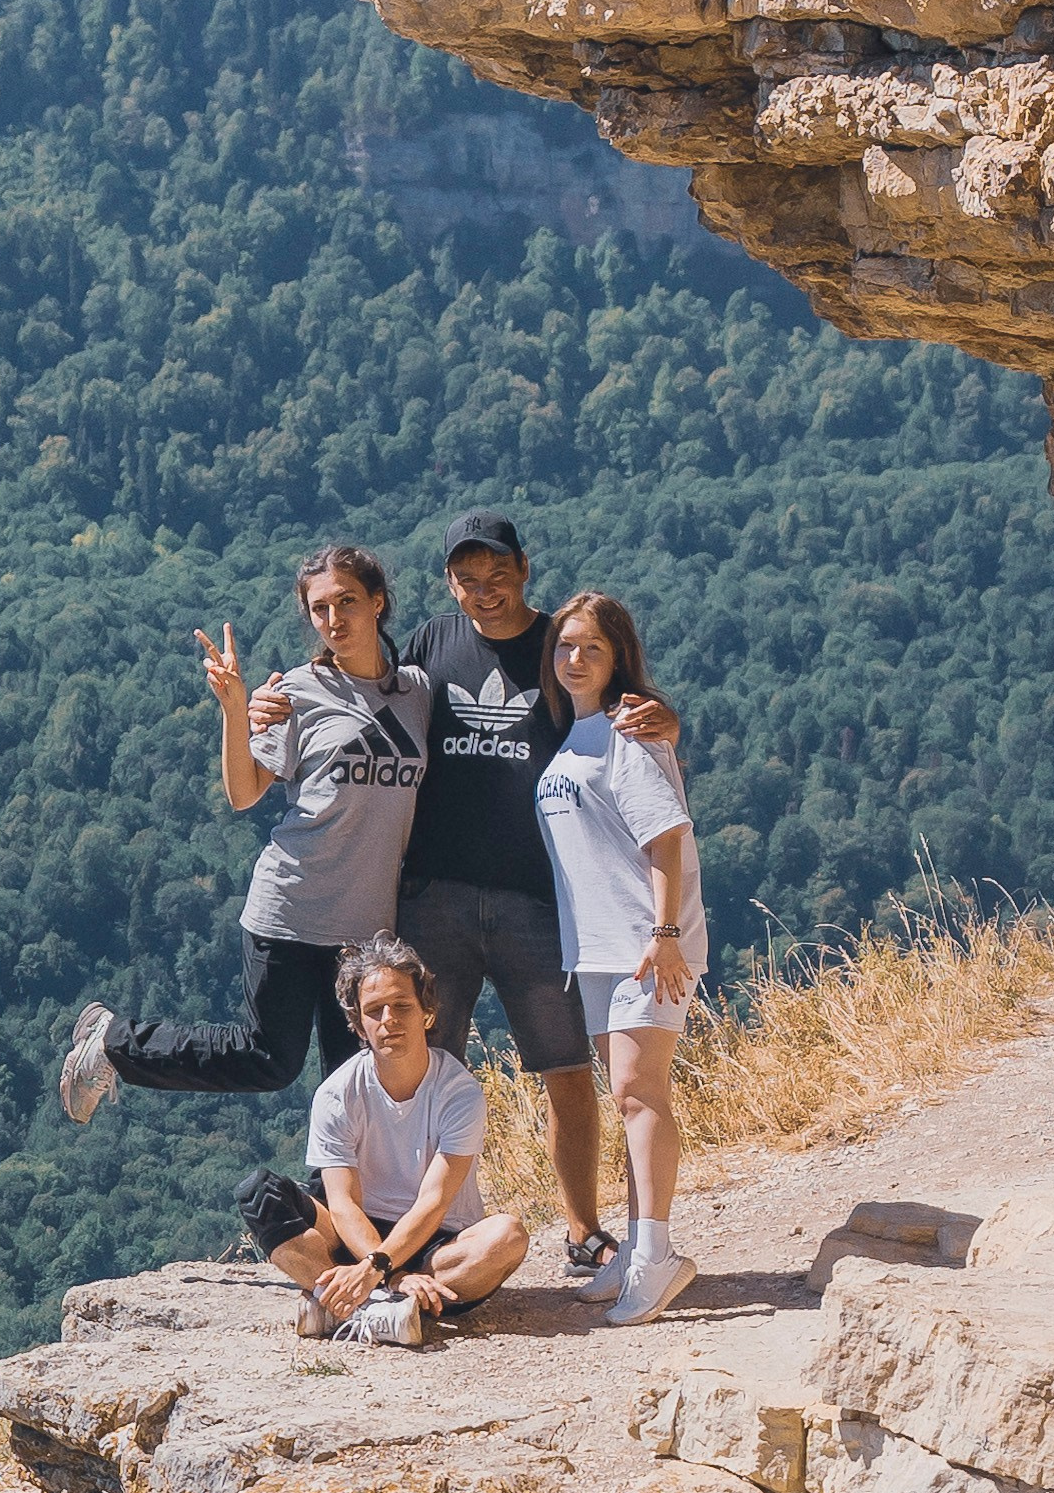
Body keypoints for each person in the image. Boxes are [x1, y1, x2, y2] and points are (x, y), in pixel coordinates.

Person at [260, 508, 675, 1284]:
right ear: (447, 581)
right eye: (465, 579)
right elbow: (355, 678)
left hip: (538, 900)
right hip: (433, 899)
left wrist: (665, 720)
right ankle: (396, 1240)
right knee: (412, 1065)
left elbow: (621, 706)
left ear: (524, 568)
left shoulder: (561, 644)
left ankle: (583, 1231)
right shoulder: (429, 643)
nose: (482, 593)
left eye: (497, 576)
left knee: (561, 1069)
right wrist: (269, 706)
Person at [57, 545, 430, 1118]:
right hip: (289, 907)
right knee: (268, 1059)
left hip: (364, 927)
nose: (334, 621)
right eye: (320, 608)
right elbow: (244, 792)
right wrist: (235, 707)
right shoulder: (297, 693)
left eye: (348, 602)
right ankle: (113, 1043)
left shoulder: (417, 694)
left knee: (358, 1079)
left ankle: (334, 1204)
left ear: (378, 603)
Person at [533, 590, 706, 1328]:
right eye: (566, 646)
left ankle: (657, 1255)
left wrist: (664, 934)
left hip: (648, 945)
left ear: (617, 658)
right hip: (600, 950)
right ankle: (639, 1252)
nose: (575, 659)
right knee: (627, 1097)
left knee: (640, 1093)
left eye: (592, 649)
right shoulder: (574, 736)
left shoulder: (629, 734)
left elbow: (664, 837)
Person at [234, 932, 528, 1347]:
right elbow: (343, 1203)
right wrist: (388, 1270)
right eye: (374, 1010)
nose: (389, 1019)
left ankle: (343, 1301)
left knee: (507, 1236)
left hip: (435, 1240)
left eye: (402, 1005)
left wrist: (381, 1265)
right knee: (260, 1195)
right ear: (358, 1024)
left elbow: (435, 1200)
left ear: (427, 1012)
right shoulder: (338, 1094)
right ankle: (382, 1305)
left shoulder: (458, 1092)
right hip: (358, 1236)